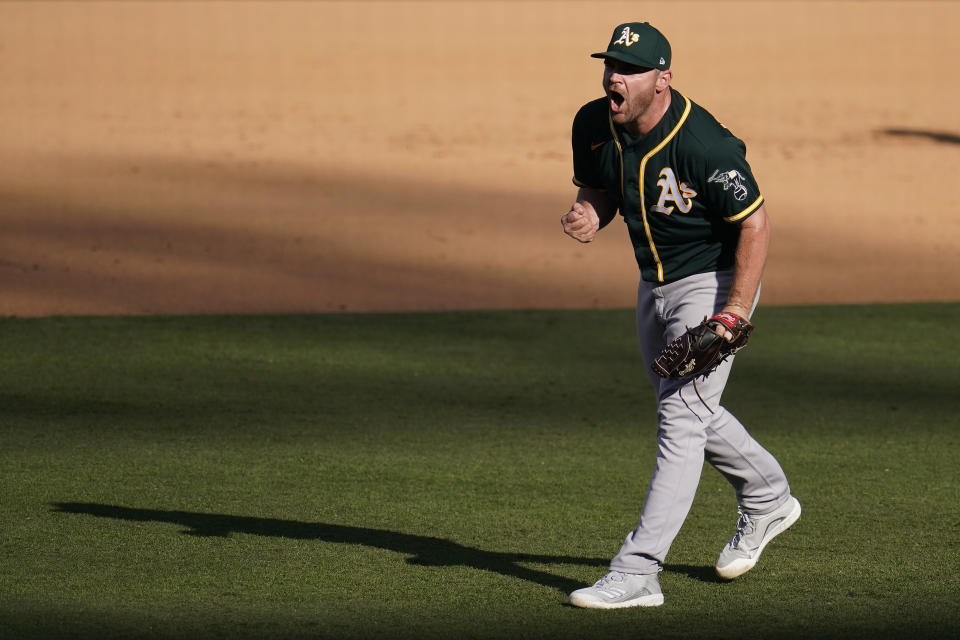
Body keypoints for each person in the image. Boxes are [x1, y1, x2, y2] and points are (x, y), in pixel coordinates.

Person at [561, 21, 800, 609]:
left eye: (630, 68)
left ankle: (639, 571)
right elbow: (600, 189)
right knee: (689, 405)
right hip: (654, 284)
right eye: (610, 64)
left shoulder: (704, 144)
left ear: (663, 80)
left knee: (680, 418)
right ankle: (768, 496)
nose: (614, 77)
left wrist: (733, 314)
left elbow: (755, 223)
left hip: (714, 283)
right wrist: (591, 214)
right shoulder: (594, 124)